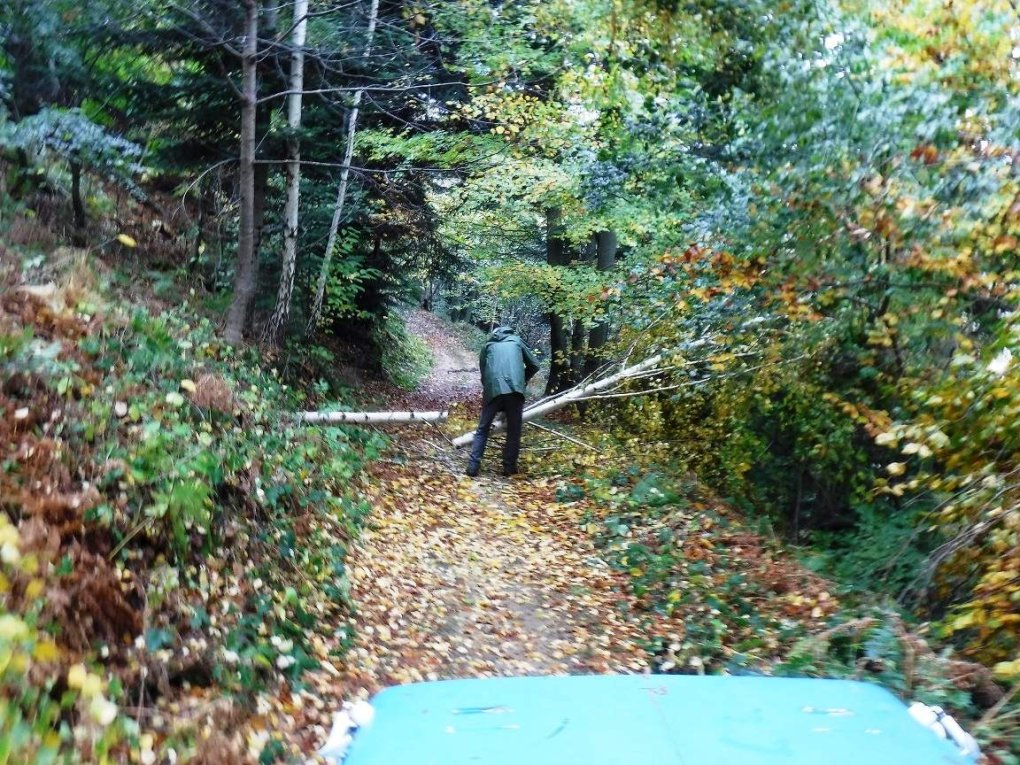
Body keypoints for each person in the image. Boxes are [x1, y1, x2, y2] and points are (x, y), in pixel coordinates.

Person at [466, 326, 540, 477]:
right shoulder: (517, 342)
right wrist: (522, 380)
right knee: (514, 430)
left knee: (483, 429)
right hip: (515, 391)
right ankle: (509, 467)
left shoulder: (488, 346)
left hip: (493, 389)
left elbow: (483, 371)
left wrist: (489, 388)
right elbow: (535, 365)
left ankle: (473, 466)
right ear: (510, 332)